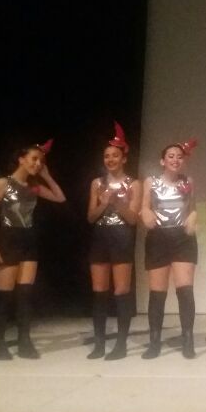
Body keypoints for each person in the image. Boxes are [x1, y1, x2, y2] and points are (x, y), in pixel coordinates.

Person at [0, 140, 66, 360]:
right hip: (8, 239)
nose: (37, 164)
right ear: (21, 159)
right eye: (34, 159)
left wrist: (47, 176)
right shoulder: (3, 183)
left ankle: (24, 341)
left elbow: (60, 197)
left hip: (28, 240)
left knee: (25, 294)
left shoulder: (34, 187)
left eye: (41, 161)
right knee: (4, 295)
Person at [85, 122, 142, 360]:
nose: (110, 159)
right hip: (100, 237)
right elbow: (90, 217)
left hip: (122, 237)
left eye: (115, 155)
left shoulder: (134, 184)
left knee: (121, 291)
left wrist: (117, 202)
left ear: (124, 158)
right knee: (99, 291)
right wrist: (104, 202)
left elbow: (133, 219)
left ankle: (120, 344)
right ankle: (99, 344)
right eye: (107, 156)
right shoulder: (97, 183)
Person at [140, 138, 199, 359]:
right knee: (157, 293)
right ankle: (154, 341)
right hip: (158, 238)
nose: (175, 159)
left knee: (185, 291)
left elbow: (193, 208)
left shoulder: (188, 181)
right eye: (171, 156)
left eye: (179, 157)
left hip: (182, 237)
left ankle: (188, 339)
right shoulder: (151, 181)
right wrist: (146, 213)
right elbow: (144, 207)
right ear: (162, 161)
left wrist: (193, 218)